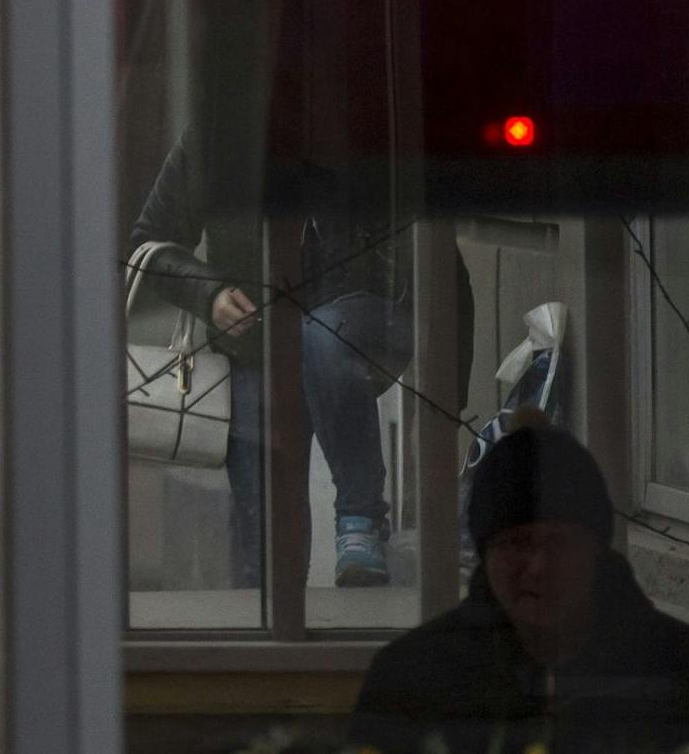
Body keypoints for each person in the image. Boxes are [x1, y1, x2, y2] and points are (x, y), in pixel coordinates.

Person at [128, 128, 463, 588]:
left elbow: (444, 258)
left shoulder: (368, 123)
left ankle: (360, 520)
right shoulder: (212, 136)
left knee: (320, 340)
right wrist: (212, 295)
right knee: (261, 547)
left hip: (358, 322)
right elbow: (149, 242)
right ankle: (267, 631)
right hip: (257, 345)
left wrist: (451, 399)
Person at [350, 420, 689, 754]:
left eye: (559, 542)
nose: (539, 567)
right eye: (517, 543)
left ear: (596, 548)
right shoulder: (411, 677)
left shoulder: (686, 668)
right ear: (484, 553)